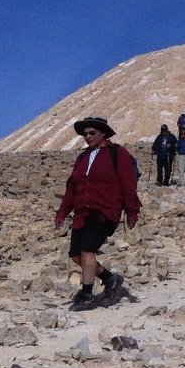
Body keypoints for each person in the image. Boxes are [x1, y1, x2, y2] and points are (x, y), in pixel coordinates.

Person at [55, 117, 140, 311]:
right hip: (82, 212)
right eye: (85, 133)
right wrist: (62, 211)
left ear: (103, 133)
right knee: (77, 255)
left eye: (92, 132)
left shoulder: (117, 153)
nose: (87, 136)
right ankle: (110, 279)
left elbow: (127, 182)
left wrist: (132, 210)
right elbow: (72, 188)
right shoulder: (82, 158)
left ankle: (87, 295)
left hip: (105, 210)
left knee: (87, 250)